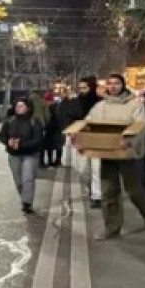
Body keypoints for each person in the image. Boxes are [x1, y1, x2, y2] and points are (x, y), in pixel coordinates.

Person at [86, 74, 145, 240]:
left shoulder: (134, 105)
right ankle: (111, 228)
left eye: (117, 83)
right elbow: (88, 123)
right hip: (107, 153)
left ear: (123, 85)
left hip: (127, 154)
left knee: (134, 190)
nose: (113, 86)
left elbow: (140, 125)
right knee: (108, 192)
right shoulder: (100, 106)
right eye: (110, 83)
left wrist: (130, 140)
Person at [60, 76, 103, 209]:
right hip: (80, 139)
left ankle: (97, 196)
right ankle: (90, 189)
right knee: (83, 170)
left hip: (97, 139)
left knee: (97, 169)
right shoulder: (74, 103)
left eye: (85, 87)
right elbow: (66, 118)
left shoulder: (101, 102)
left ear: (92, 87)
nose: (82, 90)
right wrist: (71, 130)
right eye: (81, 88)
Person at [0, 98, 43, 214]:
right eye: (17, 106)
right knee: (18, 180)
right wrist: (8, 141)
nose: (19, 108)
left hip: (30, 155)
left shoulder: (34, 121)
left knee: (28, 179)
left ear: (28, 107)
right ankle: (25, 198)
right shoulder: (9, 121)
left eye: (22, 106)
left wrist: (21, 144)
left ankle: (27, 203)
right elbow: (2, 136)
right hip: (14, 155)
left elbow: (37, 139)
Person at [41, 93, 63, 168]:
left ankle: (55, 160)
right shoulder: (57, 107)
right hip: (56, 128)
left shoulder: (49, 107)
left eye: (47, 100)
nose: (46, 102)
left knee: (53, 145)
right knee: (54, 145)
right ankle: (56, 160)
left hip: (52, 128)